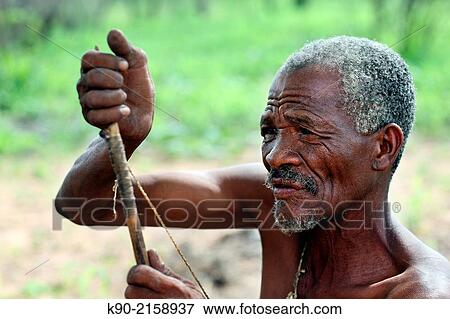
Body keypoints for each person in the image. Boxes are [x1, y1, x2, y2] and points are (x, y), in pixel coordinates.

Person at [55, 29, 450, 298]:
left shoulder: (420, 296)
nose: (275, 155)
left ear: (383, 147)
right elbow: (83, 203)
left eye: (308, 132)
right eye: (269, 131)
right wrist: (124, 136)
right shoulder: (272, 203)